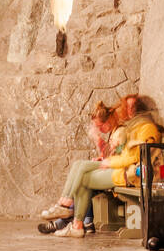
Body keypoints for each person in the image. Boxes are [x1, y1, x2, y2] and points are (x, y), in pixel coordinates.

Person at [39, 95, 163, 239]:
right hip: (123, 171)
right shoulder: (135, 128)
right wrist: (109, 157)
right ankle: (71, 216)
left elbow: (135, 157)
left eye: (127, 107)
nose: (123, 110)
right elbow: (127, 154)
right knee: (81, 171)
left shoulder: (146, 128)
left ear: (133, 110)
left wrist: (110, 161)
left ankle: (73, 219)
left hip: (131, 175)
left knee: (83, 176)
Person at [38, 99, 123, 235]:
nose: (100, 130)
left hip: (117, 170)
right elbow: (111, 155)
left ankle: (66, 207)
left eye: (100, 126)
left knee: (82, 171)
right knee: (79, 166)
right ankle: (70, 213)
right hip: (111, 166)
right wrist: (102, 156)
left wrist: (98, 141)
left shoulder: (120, 132)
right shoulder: (114, 132)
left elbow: (118, 157)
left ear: (108, 121)